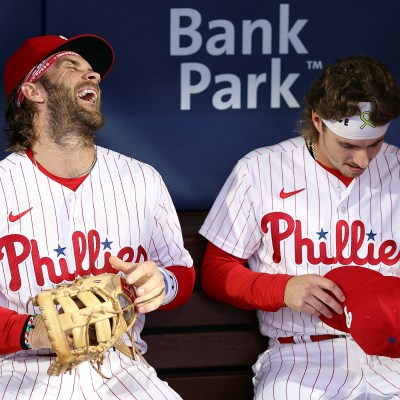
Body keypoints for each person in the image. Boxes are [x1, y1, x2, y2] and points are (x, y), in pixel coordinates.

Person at [0, 34, 195, 399]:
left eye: (93, 72)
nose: (92, 76)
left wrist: (162, 284)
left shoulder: (142, 178)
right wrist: (33, 330)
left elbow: (180, 274)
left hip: (121, 365)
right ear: (33, 90)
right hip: (22, 372)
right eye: (72, 67)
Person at [199, 55, 400, 399]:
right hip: (301, 354)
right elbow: (217, 271)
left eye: (374, 145)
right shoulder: (260, 169)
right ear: (318, 120)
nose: (362, 160)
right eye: (349, 145)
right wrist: (283, 289)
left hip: (391, 356)